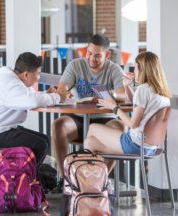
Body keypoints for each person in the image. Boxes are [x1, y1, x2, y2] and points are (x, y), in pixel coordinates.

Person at [51, 34, 127, 193]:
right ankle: (67, 180)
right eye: (89, 53)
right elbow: (61, 89)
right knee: (58, 125)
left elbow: (123, 96)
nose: (92, 58)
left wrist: (107, 95)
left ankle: (99, 180)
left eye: (97, 55)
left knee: (120, 127)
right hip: (79, 119)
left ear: (106, 55)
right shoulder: (75, 65)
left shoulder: (114, 69)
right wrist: (66, 92)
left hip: (105, 120)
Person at [0, 52, 73, 168]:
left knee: (45, 140)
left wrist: (45, 94)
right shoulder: (11, 85)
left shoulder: (12, 81)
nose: (38, 78)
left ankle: (31, 176)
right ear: (26, 74)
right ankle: (26, 180)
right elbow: (31, 101)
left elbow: (28, 96)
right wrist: (58, 97)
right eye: (38, 74)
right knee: (40, 144)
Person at [84, 51, 172, 172]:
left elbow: (132, 124)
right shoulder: (162, 93)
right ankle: (100, 183)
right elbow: (136, 103)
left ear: (141, 67)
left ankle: (93, 184)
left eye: (135, 67)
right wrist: (127, 86)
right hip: (150, 147)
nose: (134, 71)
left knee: (93, 127)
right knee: (89, 143)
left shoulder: (143, 89)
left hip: (134, 145)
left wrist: (114, 107)